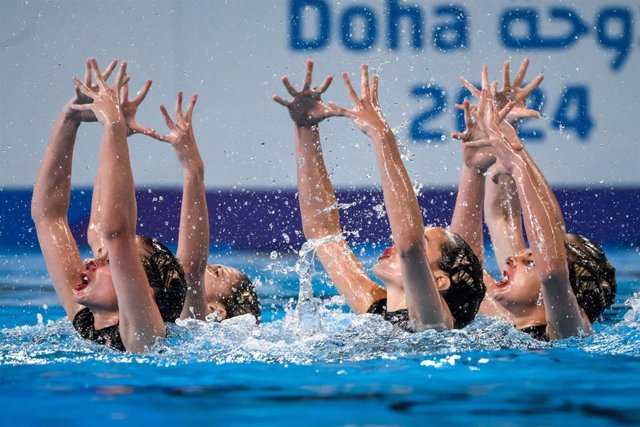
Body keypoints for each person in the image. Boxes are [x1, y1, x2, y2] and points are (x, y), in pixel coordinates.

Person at [274, 60, 485, 331]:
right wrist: (306, 130)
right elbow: (322, 233)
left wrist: (382, 135)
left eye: (424, 242)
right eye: (420, 241)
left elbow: (409, 246)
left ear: (439, 281)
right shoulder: (375, 309)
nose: (396, 242)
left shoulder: (436, 322)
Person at [451, 59, 616, 341]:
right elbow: (462, 261)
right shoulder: (498, 313)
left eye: (531, 261)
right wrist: (477, 167)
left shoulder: (567, 329)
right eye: (530, 258)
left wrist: (516, 157)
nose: (511, 258)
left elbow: (552, 266)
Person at [31, 58, 187, 352]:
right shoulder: (87, 322)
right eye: (104, 258)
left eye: (109, 261)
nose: (89, 261)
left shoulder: (143, 337)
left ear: (144, 289)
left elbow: (118, 234)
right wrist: (70, 117)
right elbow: (48, 216)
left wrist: (113, 126)